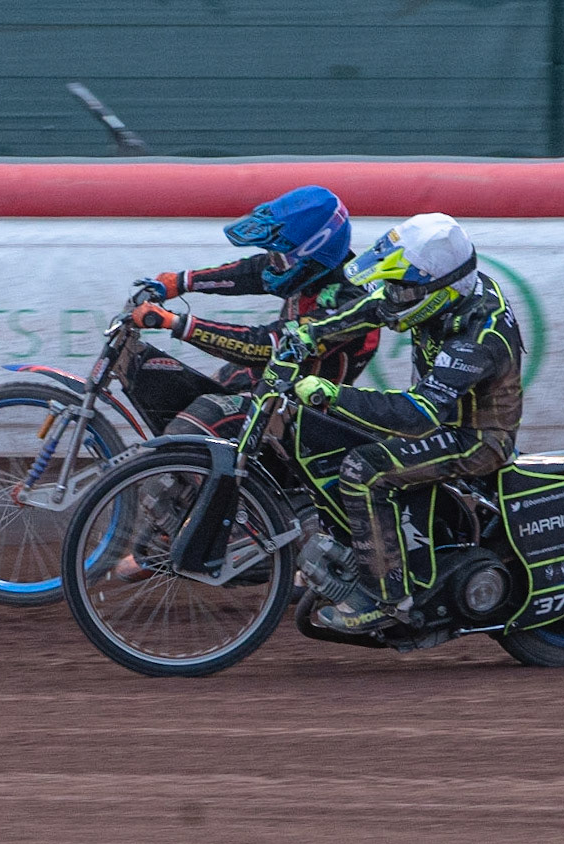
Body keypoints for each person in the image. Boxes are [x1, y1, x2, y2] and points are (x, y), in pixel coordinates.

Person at [288, 213, 525, 633]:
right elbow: (371, 307)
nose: (394, 297)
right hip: (439, 422)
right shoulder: (441, 289)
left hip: (475, 439)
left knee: (364, 470)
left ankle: (388, 599)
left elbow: (420, 415)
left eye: (403, 288)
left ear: (438, 288)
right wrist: (309, 334)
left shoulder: (480, 334)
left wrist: (334, 394)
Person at [128, 184, 379, 440]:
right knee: (184, 396)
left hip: (301, 411)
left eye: (279, 258)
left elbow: (267, 346)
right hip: (271, 379)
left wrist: (176, 323)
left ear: (315, 253)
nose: (272, 264)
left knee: (190, 431)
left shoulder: (352, 298)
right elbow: (253, 272)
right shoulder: (311, 269)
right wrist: (181, 281)